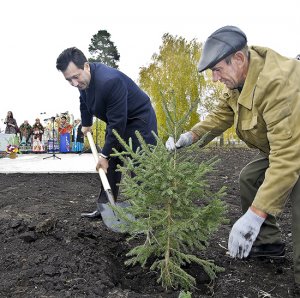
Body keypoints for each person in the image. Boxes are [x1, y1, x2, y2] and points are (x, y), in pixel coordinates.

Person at [166, 25, 300, 293]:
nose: (215, 78)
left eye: (217, 70)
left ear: (238, 59)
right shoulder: (239, 81)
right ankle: (268, 244)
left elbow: (287, 157)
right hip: (285, 146)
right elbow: (220, 116)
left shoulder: (279, 83)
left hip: (292, 147)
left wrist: (255, 215)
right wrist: (190, 137)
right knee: (250, 177)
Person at [56, 47, 157, 214]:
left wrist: (103, 156)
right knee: (108, 165)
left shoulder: (109, 81)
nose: (74, 84)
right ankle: (106, 207)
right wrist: (86, 123)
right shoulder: (84, 82)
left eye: (75, 77)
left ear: (86, 66)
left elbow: (117, 125)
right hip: (117, 120)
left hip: (140, 121)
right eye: (69, 80)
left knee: (139, 165)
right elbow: (84, 102)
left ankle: (143, 213)